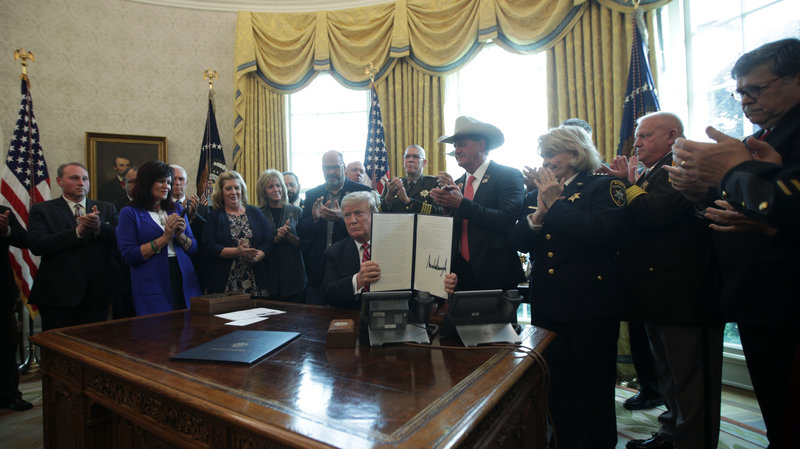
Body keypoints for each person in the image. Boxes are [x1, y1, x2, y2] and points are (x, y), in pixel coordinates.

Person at [665, 38, 800, 448]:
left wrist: (732, 171)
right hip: (761, 299)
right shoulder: (766, 134)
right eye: (739, 91)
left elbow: (782, 205)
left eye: (755, 88)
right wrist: (702, 194)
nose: (745, 99)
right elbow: (754, 210)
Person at [599, 112, 722, 449]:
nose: (635, 143)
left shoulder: (682, 168)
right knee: (670, 375)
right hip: (659, 294)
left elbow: (654, 216)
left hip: (686, 294)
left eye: (644, 136)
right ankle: (672, 434)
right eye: (637, 136)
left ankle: (693, 442)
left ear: (671, 136)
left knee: (692, 381)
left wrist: (628, 184)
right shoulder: (654, 173)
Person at [509, 125, 626, 448]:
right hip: (549, 306)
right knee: (555, 385)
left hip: (590, 307)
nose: (544, 162)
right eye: (542, 156)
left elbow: (600, 233)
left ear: (575, 155)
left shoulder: (604, 187)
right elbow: (517, 240)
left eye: (550, 155)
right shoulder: (536, 194)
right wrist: (539, 215)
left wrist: (555, 205)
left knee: (592, 387)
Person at [430, 116, 525, 291]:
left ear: (480, 144)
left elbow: (507, 219)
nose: (456, 150)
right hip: (460, 277)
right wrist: (447, 210)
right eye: (455, 146)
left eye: (461, 144)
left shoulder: (508, 176)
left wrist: (460, 203)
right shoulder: (457, 183)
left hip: (497, 276)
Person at [322, 191, 456, 309]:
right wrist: (357, 280)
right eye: (347, 215)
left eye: (358, 213)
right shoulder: (335, 252)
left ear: (374, 215)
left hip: (397, 318)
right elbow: (327, 294)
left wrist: (442, 286)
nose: (353, 220)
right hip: (353, 319)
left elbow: (419, 288)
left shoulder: (401, 246)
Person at [28, 163, 120, 330]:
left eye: (85, 179)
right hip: (57, 294)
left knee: (94, 346)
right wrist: (77, 232)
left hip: (97, 293)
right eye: (74, 178)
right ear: (60, 181)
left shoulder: (107, 208)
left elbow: (119, 241)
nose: (81, 183)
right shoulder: (42, 210)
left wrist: (98, 228)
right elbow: (37, 244)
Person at [116, 161, 201, 315]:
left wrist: (179, 235)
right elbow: (128, 255)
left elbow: (194, 247)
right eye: (161, 181)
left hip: (184, 278)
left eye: (168, 182)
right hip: (152, 281)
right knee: (159, 332)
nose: (167, 186)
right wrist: (164, 238)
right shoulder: (129, 213)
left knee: (189, 329)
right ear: (147, 183)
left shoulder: (176, 208)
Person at [297, 151, 371, 305]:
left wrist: (341, 217)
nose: (331, 172)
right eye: (327, 168)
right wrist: (315, 219)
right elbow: (302, 231)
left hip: (348, 268)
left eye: (335, 167)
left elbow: (367, 230)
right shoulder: (313, 194)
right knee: (315, 321)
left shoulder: (362, 192)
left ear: (343, 168)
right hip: (318, 268)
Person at [203, 171, 271, 297]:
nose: (233, 192)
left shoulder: (255, 212)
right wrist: (237, 252)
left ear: (242, 190)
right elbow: (209, 247)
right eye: (228, 188)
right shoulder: (214, 216)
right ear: (221, 192)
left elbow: (268, 241)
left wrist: (258, 256)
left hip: (256, 280)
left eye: (237, 188)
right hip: (226, 283)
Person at [256, 169, 306, 302]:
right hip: (268, 278)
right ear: (263, 191)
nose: (276, 189)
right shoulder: (257, 213)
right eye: (270, 186)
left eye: (278, 185)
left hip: (294, 276)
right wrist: (276, 238)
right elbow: (257, 244)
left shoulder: (297, 211)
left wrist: (289, 236)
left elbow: (305, 244)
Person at [0, 205, 32, 411]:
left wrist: (6, 232)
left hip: (1, 294)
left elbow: (25, 239)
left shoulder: (3, 212)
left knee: (5, 346)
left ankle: (9, 395)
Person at [171, 164, 210, 289]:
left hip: (196, 266)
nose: (177, 183)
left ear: (186, 182)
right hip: (171, 266)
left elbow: (208, 234)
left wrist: (194, 217)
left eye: (181, 179)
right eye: (173, 178)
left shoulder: (202, 208)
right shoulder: (160, 207)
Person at [381, 145, 443, 215]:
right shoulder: (392, 184)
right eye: (407, 157)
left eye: (415, 157)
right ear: (403, 161)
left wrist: (408, 201)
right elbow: (378, 213)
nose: (410, 160)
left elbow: (438, 212)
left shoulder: (433, 184)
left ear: (424, 162)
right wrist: (389, 196)